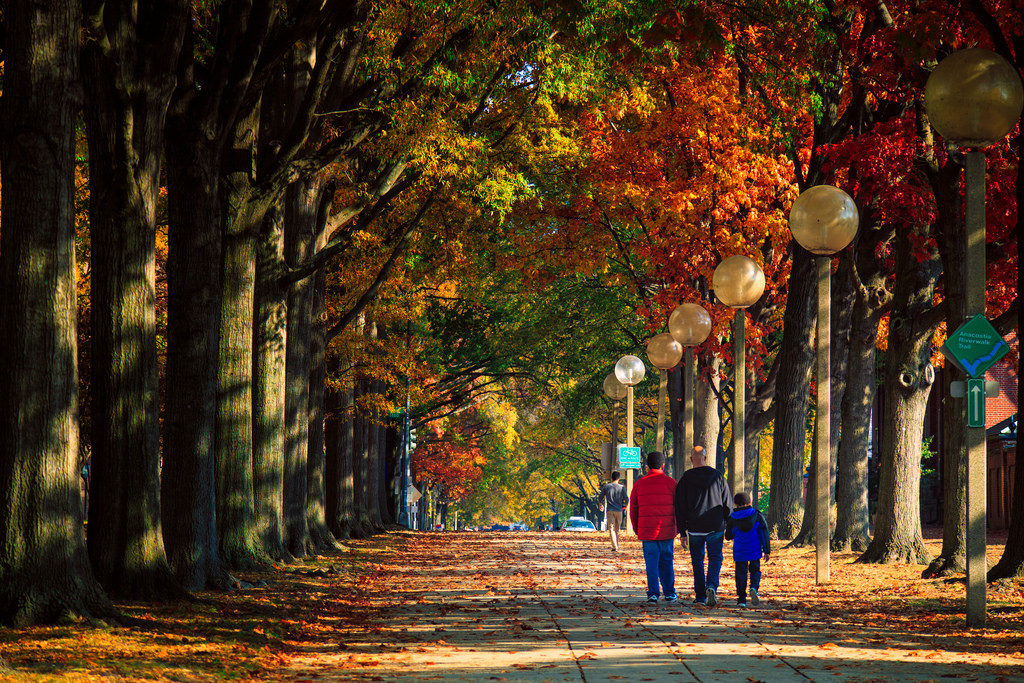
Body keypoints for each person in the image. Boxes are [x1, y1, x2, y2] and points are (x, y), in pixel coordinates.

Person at [674, 445, 732, 607]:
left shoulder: (685, 479)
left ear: (691, 459)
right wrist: (729, 524)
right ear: (705, 458)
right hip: (715, 525)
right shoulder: (717, 476)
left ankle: (700, 595)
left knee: (697, 561)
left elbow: (680, 506)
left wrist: (682, 531)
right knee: (715, 558)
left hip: (694, 527)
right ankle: (711, 585)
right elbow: (727, 502)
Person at [629, 451, 677, 603]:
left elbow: (633, 510)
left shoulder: (639, 484)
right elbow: (678, 508)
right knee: (667, 561)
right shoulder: (671, 483)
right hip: (667, 530)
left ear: (646, 466)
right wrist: (677, 527)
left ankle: (653, 593)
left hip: (647, 530)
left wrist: (638, 529)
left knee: (651, 563)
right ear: (663, 465)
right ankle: (669, 592)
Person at [725, 491, 770, 608]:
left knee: (740, 574)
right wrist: (767, 550)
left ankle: (741, 599)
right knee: (755, 570)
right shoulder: (757, 515)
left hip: (740, 551)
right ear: (749, 502)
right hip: (755, 550)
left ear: (735, 504)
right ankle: (754, 588)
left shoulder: (732, 518)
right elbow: (764, 532)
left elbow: (728, 536)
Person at [597, 471, 628, 551]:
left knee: (611, 529)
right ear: (619, 478)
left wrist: (601, 504)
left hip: (610, 511)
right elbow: (626, 499)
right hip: (619, 511)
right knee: (617, 529)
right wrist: (625, 506)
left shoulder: (607, 487)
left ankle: (615, 546)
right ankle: (616, 545)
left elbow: (600, 497)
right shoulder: (621, 487)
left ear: (611, 478)